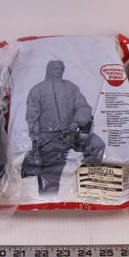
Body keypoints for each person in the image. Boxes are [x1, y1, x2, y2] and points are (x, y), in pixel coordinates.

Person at [23, 60, 104, 193]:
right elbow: (32, 116)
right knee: (50, 174)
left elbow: (84, 107)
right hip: (49, 138)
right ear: (49, 70)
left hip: (73, 133)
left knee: (97, 145)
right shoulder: (37, 90)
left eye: (61, 68)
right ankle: (49, 198)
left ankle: (88, 181)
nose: (59, 71)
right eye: (56, 68)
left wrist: (76, 122)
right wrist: (36, 139)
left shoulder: (71, 87)